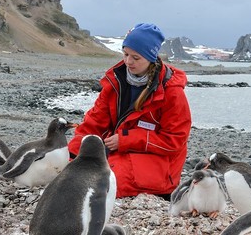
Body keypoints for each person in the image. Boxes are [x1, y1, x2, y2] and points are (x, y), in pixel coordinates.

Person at [67, 23, 192, 198]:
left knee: (103, 184)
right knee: (68, 172)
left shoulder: (172, 92)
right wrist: (72, 154)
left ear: (151, 58)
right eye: (125, 54)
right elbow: (94, 123)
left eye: (136, 57)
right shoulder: (115, 82)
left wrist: (126, 140)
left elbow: (175, 141)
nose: (128, 62)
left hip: (158, 163)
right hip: (119, 152)